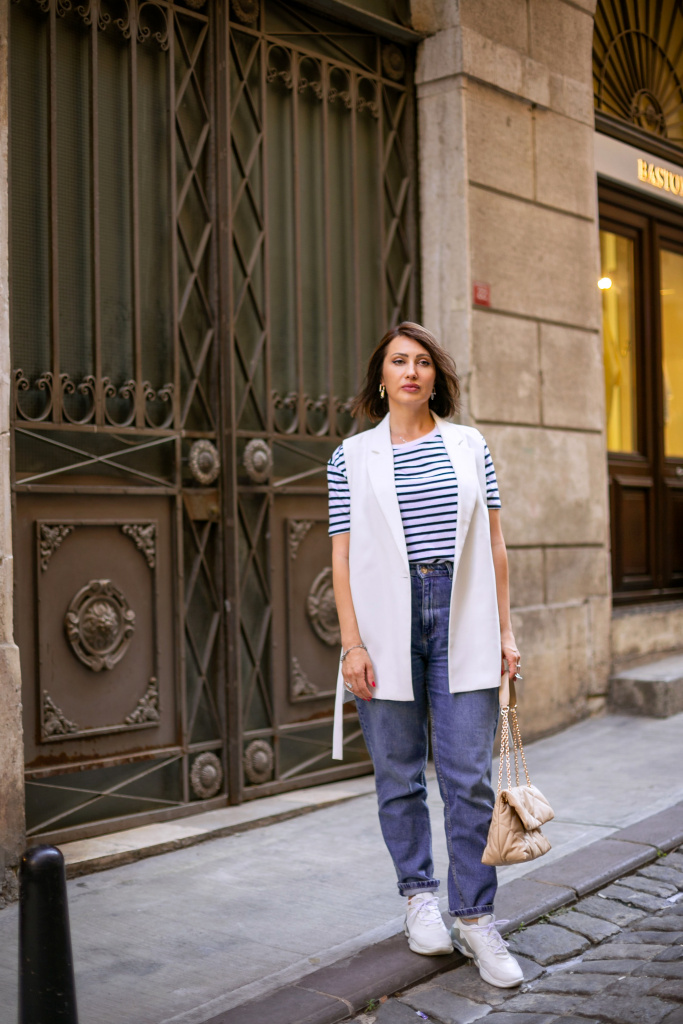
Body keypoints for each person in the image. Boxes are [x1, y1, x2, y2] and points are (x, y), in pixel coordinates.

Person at [327, 322, 524, 989]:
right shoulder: (351, 456)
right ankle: (419, 898)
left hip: (461, 612)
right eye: (398, 361)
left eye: (422, 361)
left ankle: (476, 917)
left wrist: (505, 632)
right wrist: (352, 644)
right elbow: (341, 557)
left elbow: (494, 544)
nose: (410, 371)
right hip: (385, 621)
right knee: (399, 774)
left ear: (436, 376)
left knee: (467, 777)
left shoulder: (469, 445)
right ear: (380, 378)